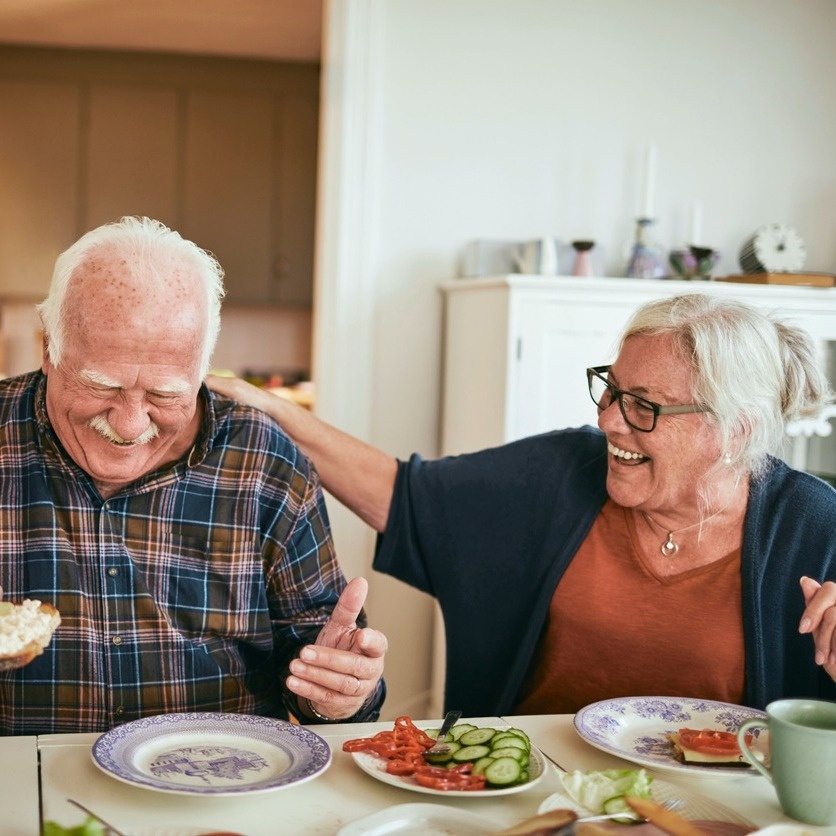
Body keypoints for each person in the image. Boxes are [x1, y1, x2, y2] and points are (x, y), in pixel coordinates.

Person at [208, 292, 836, 717]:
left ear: (737, 429)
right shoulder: (561, 475)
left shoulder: (816, 528)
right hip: (533, 805)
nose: (609, 420)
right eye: (611, 389)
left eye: (645, 405)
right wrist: (273, 409)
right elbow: (403, 497)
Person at [0, 216, 386, 735]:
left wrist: (340, 693)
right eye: (101, 385)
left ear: (202, 368)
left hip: (225, 785)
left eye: (163, 395)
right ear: (49, 350)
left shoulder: (263, 460)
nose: (129, 424)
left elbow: (320, 654)